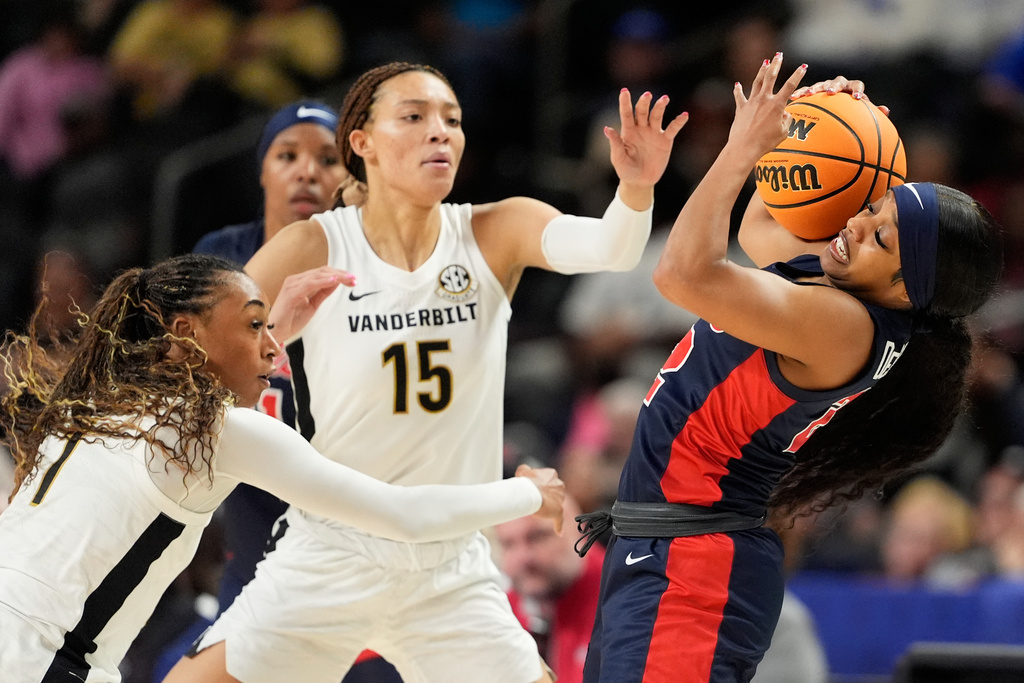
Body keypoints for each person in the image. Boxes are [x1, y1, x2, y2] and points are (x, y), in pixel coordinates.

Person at [165, 60, 687, 683]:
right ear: (362, 144)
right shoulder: (314, 244)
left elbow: (612, 247)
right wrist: (273, 330)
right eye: (414, 117)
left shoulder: (497, 229)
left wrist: (635, 190)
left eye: (452, 119)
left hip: (451, 566)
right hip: (333, 552)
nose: (440, 131)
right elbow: (195, 362)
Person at [575, 54, 1003, 682]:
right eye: (872, 209)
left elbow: (682, 273)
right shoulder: (842, 286)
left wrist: (742, 145)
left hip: (696, 568)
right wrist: (806, 130)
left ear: (910, 291)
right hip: (666, 548)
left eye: (880, 238)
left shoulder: (847, 329)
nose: (855, 227)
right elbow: (761, 224)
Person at [0, 253, 565, 683]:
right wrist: (527, 493)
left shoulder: (100, 399)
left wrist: (268, 334)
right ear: (185, 335)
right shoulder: (220, 430)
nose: (272, 349)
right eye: (253, 326)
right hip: (39, 659)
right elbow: (402, 514)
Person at [192, 99, 347, 613]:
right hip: (254, 505)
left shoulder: (367, 259)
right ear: (261, 170)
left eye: (327, 159)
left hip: (343, 493)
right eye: (287, 156)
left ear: (350, 176)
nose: (307, 171)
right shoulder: (218, 255)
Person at [497, 494, 605, 683]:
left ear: (583, 532)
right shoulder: (502, 612)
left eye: (538, 537)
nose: (523, 557)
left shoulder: (625, 600)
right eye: (509, 544)